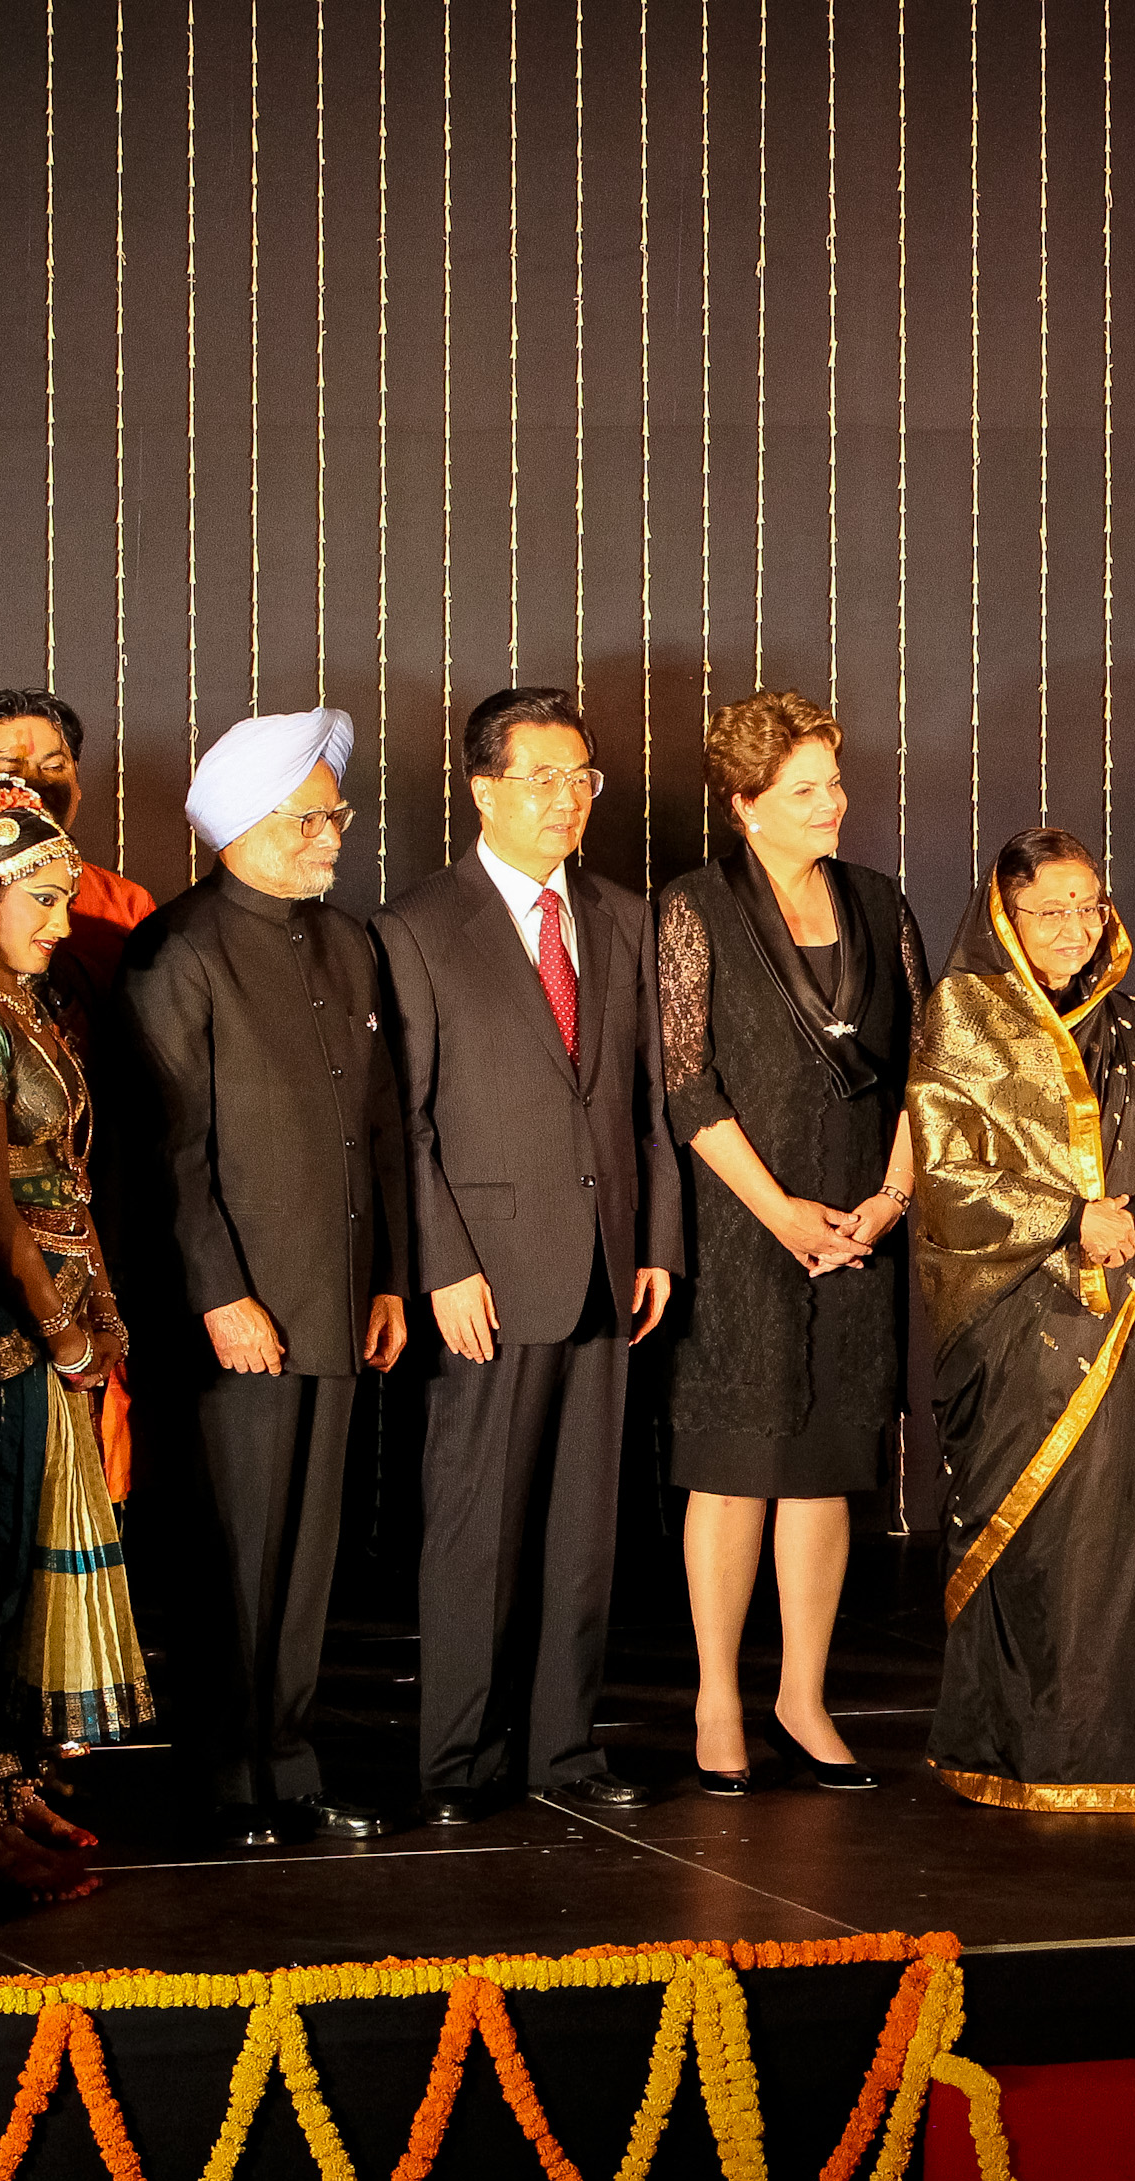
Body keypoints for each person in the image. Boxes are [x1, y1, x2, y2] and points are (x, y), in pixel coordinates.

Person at [378, 686, 677, 1823]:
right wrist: (441, 1265)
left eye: (581, 778)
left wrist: (655, 1242)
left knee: (579, 1531)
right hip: (484, 1280)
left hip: (606, 1264)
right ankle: (454, 1761)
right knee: (474, 1528)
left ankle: (563, 1750)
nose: (566, 799)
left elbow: (649, 1100)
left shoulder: (619, 916)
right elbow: (402, 1123)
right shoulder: (414, 927)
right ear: (483, 789)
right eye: (541, 777)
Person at [112, 708, 408, 1845]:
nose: (334, 836)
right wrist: (218, 1294)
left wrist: (382, 1277)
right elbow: (170, 1152)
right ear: (243, 827)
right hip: (237, 1308)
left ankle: (290, 1759)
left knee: (310, 1543)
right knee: (232, 1548)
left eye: (334, 814)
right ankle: (225, 1771)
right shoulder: (179, 953)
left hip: (335, 1296)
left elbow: (374, 1127)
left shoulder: (344, 940)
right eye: (313, 818)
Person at [910, 830, 1135, 1811]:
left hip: (1117, 1314)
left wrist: (1126, 1227)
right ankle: (1013, 1751)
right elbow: (948, 1177)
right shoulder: (964, 1022)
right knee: (1031, 1538)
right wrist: (1070, 1220)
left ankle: (1121, 1753)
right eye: (1050, 909)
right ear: (1004, 916)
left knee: (1117, 1535)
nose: (1077, 927)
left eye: (1089, 905)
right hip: (1010, 1320)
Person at [657, 689, 924, 1794]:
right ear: (743, 804)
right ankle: (718, 1698)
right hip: (741, 1227)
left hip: (861, 1225)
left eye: (834, 784)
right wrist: (776, 1211)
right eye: (804, 791)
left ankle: (801, 1698)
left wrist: (890, 1200)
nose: (832, 806)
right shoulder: (691, 908)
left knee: (823, 1472)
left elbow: (929, 1067)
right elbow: (684, 1081)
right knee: (734, 1469)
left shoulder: (879, 901)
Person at [0, 769, 153, 1898]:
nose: (61, 922)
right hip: (1, 1317)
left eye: (60, 899)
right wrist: (60, 1326)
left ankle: (12, 1780)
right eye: (36, 901)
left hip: (58, 1297)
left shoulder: (32, 1005)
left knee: (25, 1546)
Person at [0, 689, 160, 1019]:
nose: (33, 785)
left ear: (77, 785)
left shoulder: (124, 907)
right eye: (9, 770)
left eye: (53, 767)